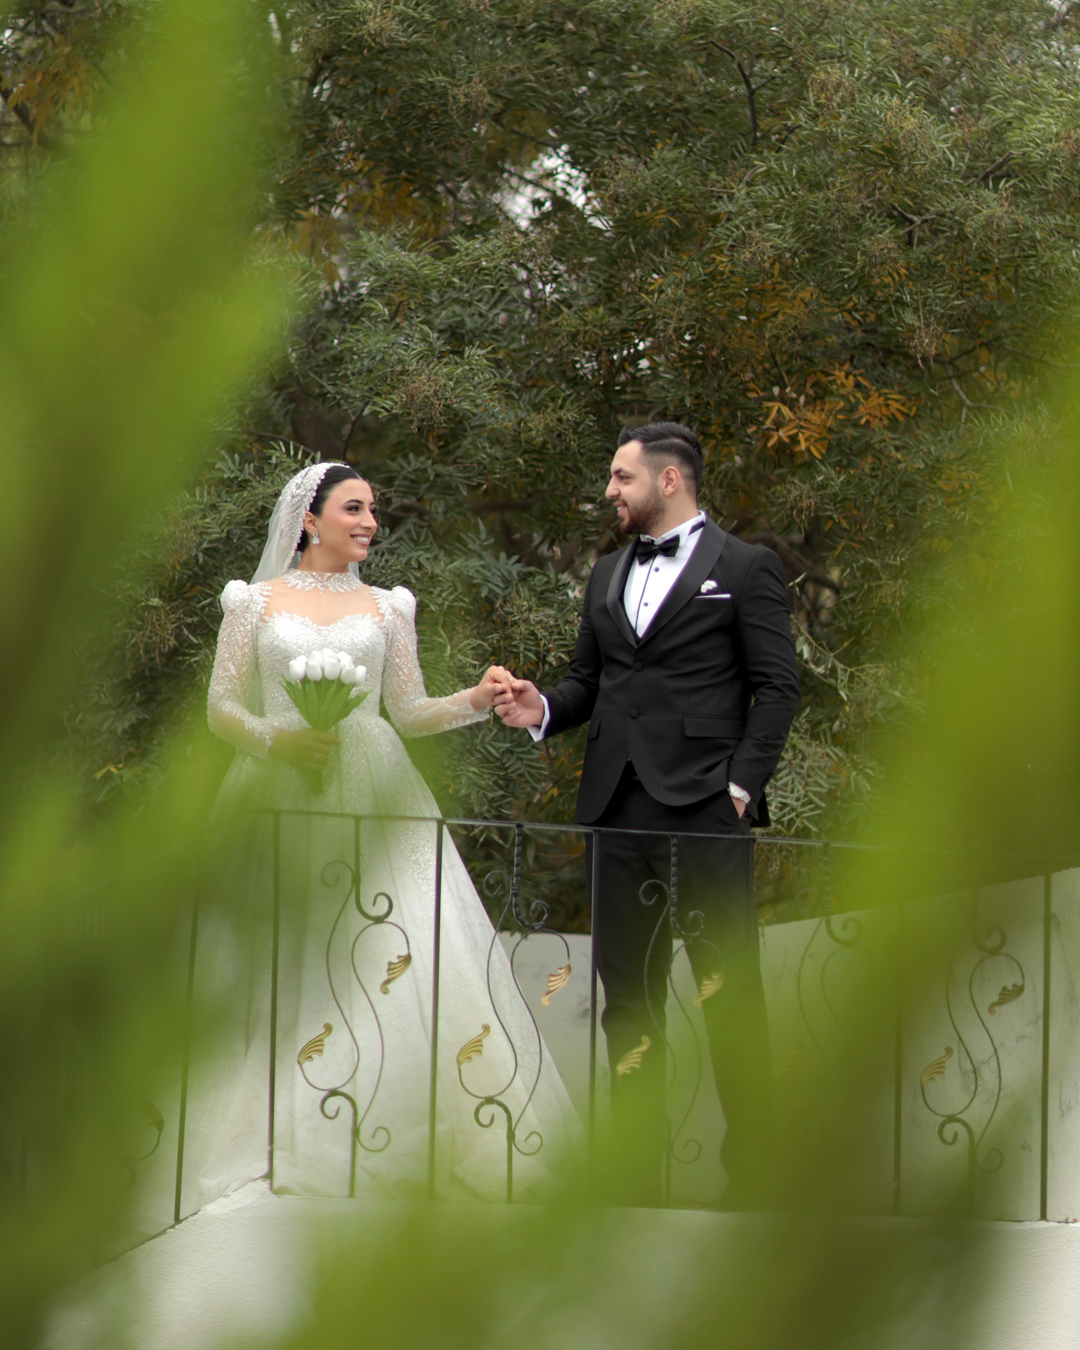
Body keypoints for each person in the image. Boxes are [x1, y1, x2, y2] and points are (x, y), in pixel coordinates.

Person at [182, 461, 579, 1209]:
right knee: (284, 954)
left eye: (373, 510)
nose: (370, 522)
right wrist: (277, 742)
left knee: (389, 950)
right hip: (279, 787)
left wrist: (475, 699)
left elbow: (410, 711)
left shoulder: (388, 608)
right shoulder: (253, 603)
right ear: (310, 519)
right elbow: (221, 707)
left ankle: (390, 1136)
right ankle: (277, 1139)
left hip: (379, 790)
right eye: (354, 508)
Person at [493, 423, 800, 1208]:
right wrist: (539, 708)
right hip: (615, 810)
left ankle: (758, 1179)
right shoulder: (604, 573)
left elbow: (778, 688)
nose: (610, 491)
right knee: (627, 999)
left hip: (705, 811)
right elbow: (586, 684)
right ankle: (635, 1176)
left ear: (669, 480)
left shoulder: (746, 567)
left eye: (621, 477)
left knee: (728, 995)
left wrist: (739, 790)